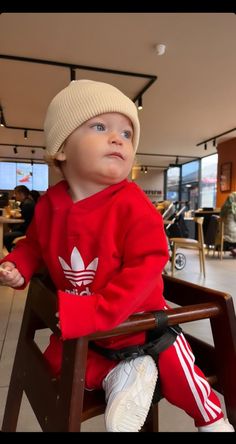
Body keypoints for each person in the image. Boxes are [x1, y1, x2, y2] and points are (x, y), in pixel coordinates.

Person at [0, 80, 234, 433]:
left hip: (141, 324)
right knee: (56, 366)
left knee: (180, 372)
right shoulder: (49, 205)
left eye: (126, 133)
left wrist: (92, 312)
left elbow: (147, 268)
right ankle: (125, 375)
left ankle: (212, 420)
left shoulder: (132, 204)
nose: (118, 139)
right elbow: (35, 245)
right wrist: (20, 264)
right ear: (61, 147)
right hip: (88, 332)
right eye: (100, 127)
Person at [3, 185, 35, 252]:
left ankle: (13, 252)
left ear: (21, 194)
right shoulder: (26, 202)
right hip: (26, 229)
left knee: (6, 237)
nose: (14, 195)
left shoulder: (27, 204)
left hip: (26, 231)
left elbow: (19, 217)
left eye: (16, 193)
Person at [220, 191, 236, 256]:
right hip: (231, 232)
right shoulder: (233, 207)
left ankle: (233, 249)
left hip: (222, 231)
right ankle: (234, 249)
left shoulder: (224, 207)